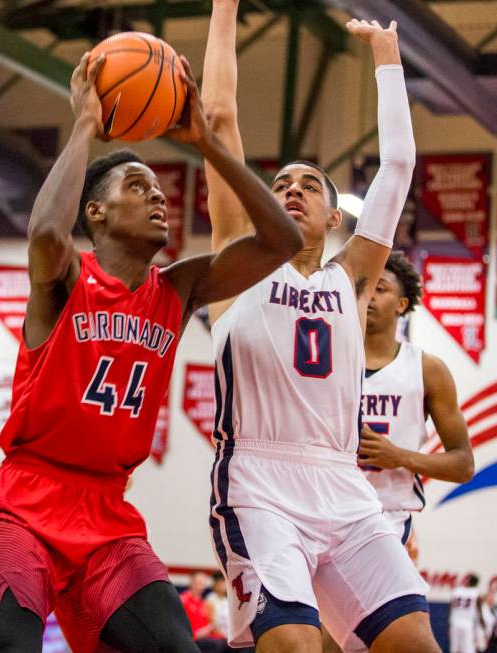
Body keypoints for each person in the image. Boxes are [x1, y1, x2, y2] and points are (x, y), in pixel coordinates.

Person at [0, 52, 303, 653]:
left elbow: (283, 240)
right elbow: (44, 233)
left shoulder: (177, 287)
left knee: (176, 646)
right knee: (11, 645)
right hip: (25, 501)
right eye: (138, 188)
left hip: (107, 513)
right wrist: (86, 123)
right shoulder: (65, 279)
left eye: (161, 189)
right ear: (97, 212)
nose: (159, 198)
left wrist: (206, 143)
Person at [202, 3, 440, 652]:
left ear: (336, 218)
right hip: (259, 478)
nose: (293, 189)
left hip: (342, 482)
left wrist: (387, 61)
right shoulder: (239, 265)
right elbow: (220, 121)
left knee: (416, 641)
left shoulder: (352, 278)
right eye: (280, 183)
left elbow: (397, 169)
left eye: (310, 184)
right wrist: (225, 8)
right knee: (296, 646)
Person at [360, 251, 473, 544]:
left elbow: (463, 464)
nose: (369, 294)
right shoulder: (329, 361)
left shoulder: (427, 369)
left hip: (387, 517)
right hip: (325, 512)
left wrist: (399, 457)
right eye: (365, 285)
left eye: (380, 287)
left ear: (402, 304)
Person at [450, 575, 484, 653]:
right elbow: (479, 612)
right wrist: (483, 625)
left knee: (455, 650)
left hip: (455, 623)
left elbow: (451, 608)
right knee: (467, 650)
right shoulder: (476, 593)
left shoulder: (457, 591)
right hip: (467, 625)